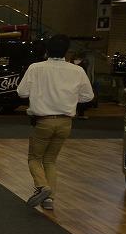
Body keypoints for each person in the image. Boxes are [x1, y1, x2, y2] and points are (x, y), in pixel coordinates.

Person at [16, 34, 94, 210]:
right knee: (50, 160)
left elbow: (22, 92)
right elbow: (88, 96)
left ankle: (43, 187)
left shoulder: (36, 68)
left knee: (34, 158)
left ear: (47, 50)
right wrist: (69, 99)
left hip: (43, 122)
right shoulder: (77, 70)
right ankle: (49, 200)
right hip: (65, 123)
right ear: (67, 51)